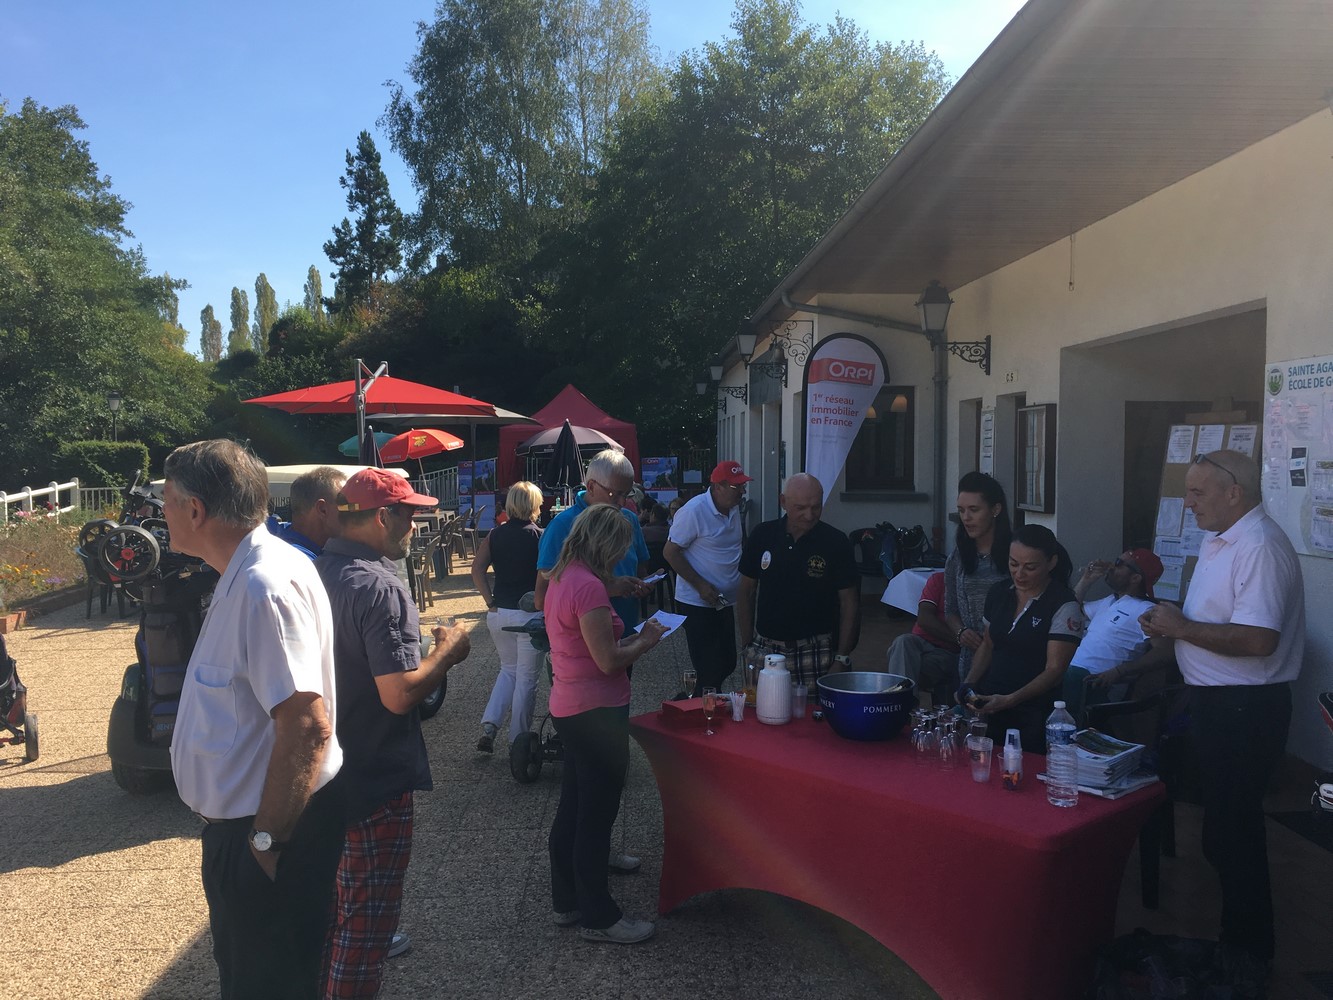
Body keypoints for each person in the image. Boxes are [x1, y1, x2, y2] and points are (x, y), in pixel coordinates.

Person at [163, 440, 345, 1000]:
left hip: (268, 833)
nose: (161, 513)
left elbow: (307, 725)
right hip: (257, 830)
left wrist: (264, 845)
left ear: (196, 510)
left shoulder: (263, 585)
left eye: (166, 501)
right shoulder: (247, 574)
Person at [1138, 449, 1304, 966]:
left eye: (1196, 492)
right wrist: (1171, 624)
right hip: (1215, 703)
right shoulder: (1220, 540)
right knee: (1223, 832)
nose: (1187, 502)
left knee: (1234, 834)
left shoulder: (1258, 546)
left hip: (1244, 709)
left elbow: (1258, 640)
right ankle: (1239, 944)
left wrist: (1183, 628)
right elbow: (1217, 621)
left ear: (1234, 493)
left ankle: (1248, 954)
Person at [316, 468, 471, 998]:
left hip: (318, 772)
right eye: (410, 515)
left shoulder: (312, 573)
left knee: (330, 917)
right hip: (372, 777)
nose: (415, 526)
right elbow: (400, 694)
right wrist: (448, 652)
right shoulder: (380, 586)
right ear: (383, 517)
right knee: (366, 931)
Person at [544, 504, 667, 944]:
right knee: (595, 816)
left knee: (574, 806)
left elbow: (589, 639)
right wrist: (646, 640)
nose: (621, 557)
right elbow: (609, 661)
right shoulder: (588, 587)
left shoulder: (564, 575)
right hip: (595, 713)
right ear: (603, 544)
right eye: (619, 549)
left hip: (570, 707)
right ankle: (599, 916)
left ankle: (567, 899)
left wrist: (619, 598)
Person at [961, 524, 1087, 752]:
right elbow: (988, 644)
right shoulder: (999, 592)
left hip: (1032, 713)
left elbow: (1054, 670)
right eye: (1013, 564)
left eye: (1030, 567)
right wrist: (968, 684)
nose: (1019, 574)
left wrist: (1010, 699)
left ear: (1051, 563)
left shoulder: (1063, 605)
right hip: (989, 704)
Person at [737, 473, 859, 691]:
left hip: (816, 650)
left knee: (815, 713)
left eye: (816, 507)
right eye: (800, 508)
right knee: (761, 711)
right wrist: (747, 645)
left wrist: (842, 656)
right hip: (766, 649)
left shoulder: (836, 541)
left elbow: (849, 602)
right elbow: (746, 591)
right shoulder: (763, 535)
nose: (809, 515)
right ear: (783, 502)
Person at [534, 449, 650, 629]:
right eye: (615, 494)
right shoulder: (562, 525)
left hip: (626, 632)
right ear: (591, 486)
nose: (622, 502)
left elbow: (640, 570)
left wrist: (642, 585)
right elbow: (542, 599)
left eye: (627, 494)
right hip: (583, 639)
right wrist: (607, 589)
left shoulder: (629, 520)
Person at [663, 461, 750, 696]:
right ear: (718, 486)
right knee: (710, 668)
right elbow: (670, 552)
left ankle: (691, 701)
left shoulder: (733, 508)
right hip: (697, 602)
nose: (742, 491)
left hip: (723, 601)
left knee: (728, 662)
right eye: (737, 487)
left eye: (743, 485)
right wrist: (701, 585)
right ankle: (699, 707)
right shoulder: (693, 511)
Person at [471, 480, 544, 754]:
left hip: (499, 612)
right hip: (529, 614)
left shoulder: (494, 534)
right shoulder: (541, 536)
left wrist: (489, 601)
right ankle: (518, 740)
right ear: (534, 505)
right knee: (526, 679)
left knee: (508, 670)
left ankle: (490, 726)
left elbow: (477, 570)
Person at [1062, 547, 1165, 718]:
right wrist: (1086, 580)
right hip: (1073, 674)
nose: (1110, 567)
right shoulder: (1111, 600)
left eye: (1118, 564)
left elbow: (1164, 651)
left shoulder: (1147, 609)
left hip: (1096, 683)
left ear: (1135, 578)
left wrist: (1121, 671)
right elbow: (1070, 611)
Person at [942, 472, 1013, 683]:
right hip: (970, 659)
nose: (966, 518)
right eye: (961, 510)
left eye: (974, 510)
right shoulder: (958, 557)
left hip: (1008, 657)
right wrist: (961, 632)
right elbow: (950, 610)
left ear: (995, 510)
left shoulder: (1016, 554)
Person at [886, 571, 960, 707]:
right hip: (921, 644)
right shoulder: (939, 579)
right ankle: (904, 703)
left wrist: (962, 639)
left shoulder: (974, 588)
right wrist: (960, 637)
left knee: (900, 660)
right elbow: (924, 619)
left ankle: (901, 707)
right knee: (902, 642)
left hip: (949, 652)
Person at [266, 467, 347, 558]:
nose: (355, 512)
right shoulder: (297, 560)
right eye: (346, 505)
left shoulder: (276, 535)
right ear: (322, 509)